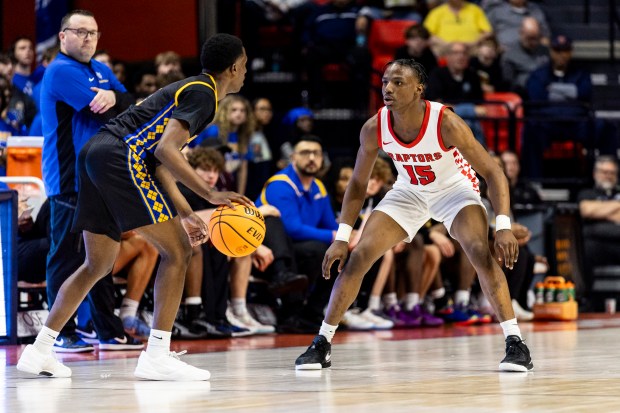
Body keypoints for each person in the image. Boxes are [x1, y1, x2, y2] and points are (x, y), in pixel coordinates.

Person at [17, 32, 252, 380]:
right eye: (245, 66)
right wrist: (210, 194)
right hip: (119, 156)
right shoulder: (204, 94)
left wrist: (186, 212)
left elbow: (159, 163)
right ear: (233, 67)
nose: (246, 73)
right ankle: (157, 354)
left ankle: (38, 351)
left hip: (97, 153)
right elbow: (166, 151)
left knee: (95, 264)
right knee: (178, 252)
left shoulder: (190, 89)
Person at [294, 58, 533, 372]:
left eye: (398, 82)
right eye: (385, 82)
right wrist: (342, 237)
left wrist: (501, 225)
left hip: (455, 190)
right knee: (360, 254)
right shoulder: (374, 126)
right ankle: (322, 342)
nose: (388, 89)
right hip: (409, 191)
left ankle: (515, 343)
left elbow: (493, 172)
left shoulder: (445, 122)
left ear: (419, 89)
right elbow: (357, 184)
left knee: (478, 250)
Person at [33, 9, 139, 354]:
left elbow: (129, 103)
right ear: (62, 36)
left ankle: (107, 331)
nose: (88, 38)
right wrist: (113, 100)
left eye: (93, 33)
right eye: (79, 32)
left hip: (99, 177)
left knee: (100, 258)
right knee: (65, 256)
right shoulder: (60, 71)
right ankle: (58, 334)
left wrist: (114, 95)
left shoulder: (100, 70)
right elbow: (110, 113)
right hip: (68, 177)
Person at [578, 156, 620, 305]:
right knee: (586, 245)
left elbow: (595, 211)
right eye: (604, 172)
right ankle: (587, 299)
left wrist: (601, 211)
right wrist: (616, 206)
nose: (607, 176)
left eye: (611, 173)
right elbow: (587, 211)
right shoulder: (587, 193)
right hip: (596, 245)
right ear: (595, 173)